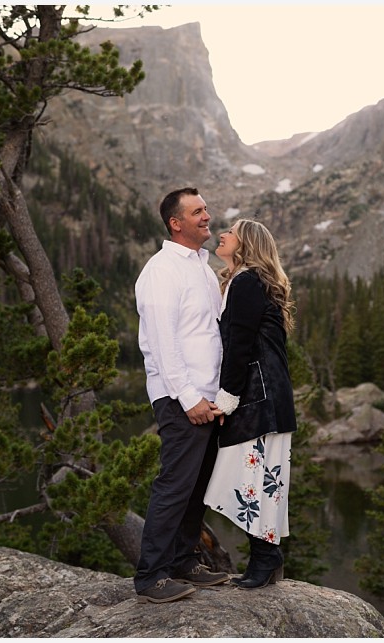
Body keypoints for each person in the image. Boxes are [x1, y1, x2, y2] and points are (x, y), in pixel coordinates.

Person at [132, 187, 231, 604]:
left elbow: (212, 333)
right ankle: (150, 576)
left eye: (206, 209)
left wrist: (219, 397)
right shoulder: (161, 270)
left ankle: (184, 561)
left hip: (209, 399)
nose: (207, 216)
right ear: (176, 223)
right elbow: (162, 341)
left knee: (197, 487)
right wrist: (189, 398)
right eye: (197, 211)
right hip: (180, 399)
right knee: (174, 485)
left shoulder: (203, 269)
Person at [206, 218, 298, 589]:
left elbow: (240, 345)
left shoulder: (246, 282)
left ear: (247, 244)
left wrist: (226, 400)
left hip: (259, 397)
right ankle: (266, 558)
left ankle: (265, 557)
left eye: (232, 231)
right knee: (261, 480)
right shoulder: (245, 281)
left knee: (253, 479)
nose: (223, 234)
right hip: (268, 396)